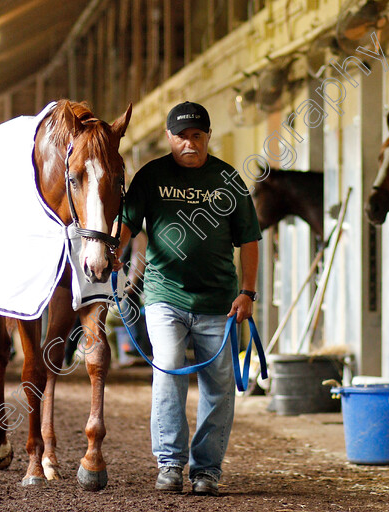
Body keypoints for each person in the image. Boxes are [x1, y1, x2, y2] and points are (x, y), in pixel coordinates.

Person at [117, 101, 261, 496]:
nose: (189, 143)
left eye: (197, 136)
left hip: (218, 301)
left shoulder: (228, 180)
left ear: (208, 137)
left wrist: (247, 292)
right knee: (167, 370)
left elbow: (249, 239)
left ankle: (207, 470)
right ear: (169, 137)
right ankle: (170, 463)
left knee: (218, 385)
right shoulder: (151, 176)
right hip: (164, 296)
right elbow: (127, 224)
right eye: (181, 136)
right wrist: (113, 256)